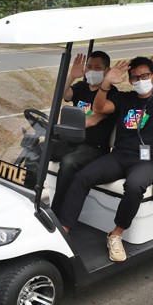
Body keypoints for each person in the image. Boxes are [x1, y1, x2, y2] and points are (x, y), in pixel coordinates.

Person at [57, 53, 153, 262]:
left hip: (149, 160)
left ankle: (116, 234)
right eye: (135, 78)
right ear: (130, 80)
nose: (140, 81)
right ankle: (64, 227)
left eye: (144, 76)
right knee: (83, 176)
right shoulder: (125, 98)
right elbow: (99, 107)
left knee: (135, 185)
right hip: (119, 156)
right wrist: (106, 83)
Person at [49, 51, 118, 215]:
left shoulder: (112, 94)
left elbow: (92, 120)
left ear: (107, 70)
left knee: (68, 163)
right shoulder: (80, 87)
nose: (92, 70)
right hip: (72, 140)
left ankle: (56, 213)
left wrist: (64, 124)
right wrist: (72, 76)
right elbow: (60, 95)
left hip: (94, 147)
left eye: (98, 67)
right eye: (89, 66)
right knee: (40, 150)